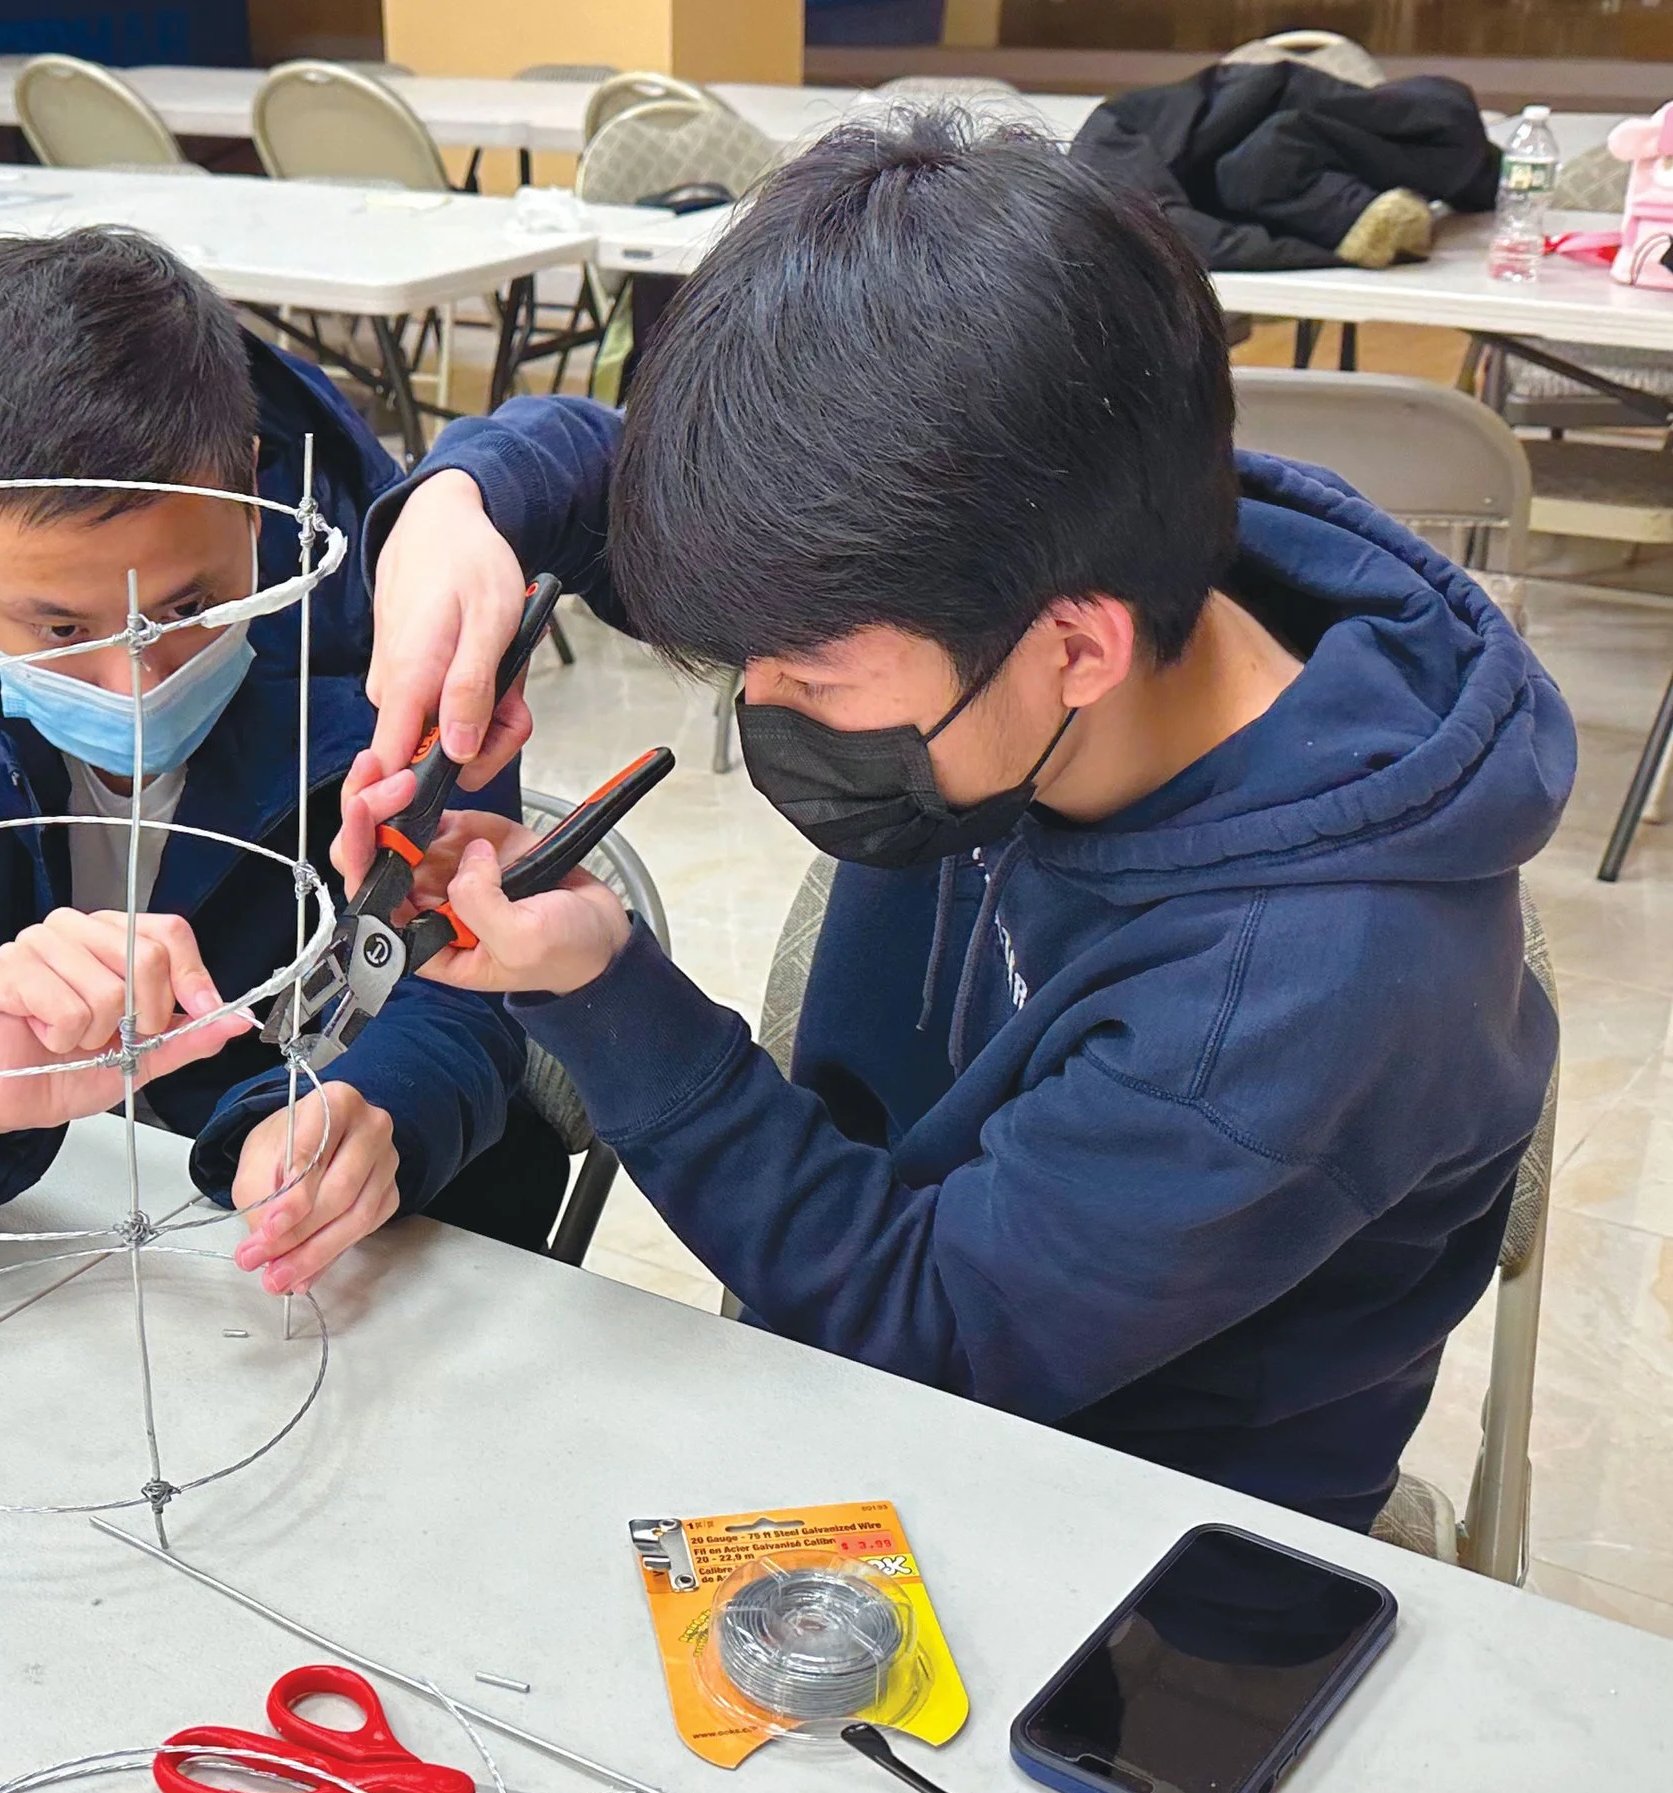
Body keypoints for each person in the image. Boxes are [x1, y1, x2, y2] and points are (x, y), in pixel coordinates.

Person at [344, 118, 1573, 1529]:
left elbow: (930, 1328)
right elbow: (606, 477)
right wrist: (465, 508)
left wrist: (599, 985)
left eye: (811, 672)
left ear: (1079, 648)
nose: (762, 700)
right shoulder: (1055, 539)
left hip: (1126, 1519)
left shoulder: (1302, 993)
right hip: (879, 1300)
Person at [0, 230, 565, 1292]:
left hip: (310, 1270)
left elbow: (461, 979)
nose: (136, 683)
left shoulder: (398, 652)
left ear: (253, 486)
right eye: (61, 627)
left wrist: (379, 1107)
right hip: (5, 1250)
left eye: (192, 604)